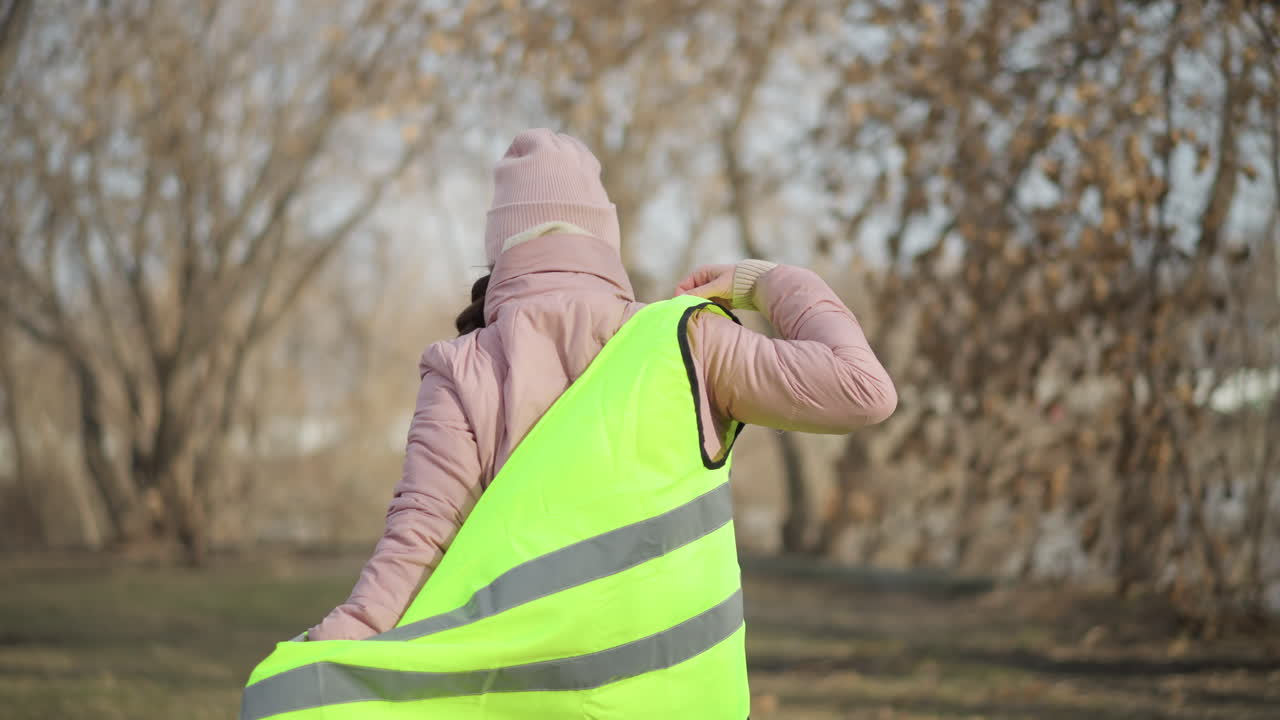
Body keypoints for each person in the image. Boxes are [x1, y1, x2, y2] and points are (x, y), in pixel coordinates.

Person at [241, 129, 895, 720]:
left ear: (499, 247)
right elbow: (864, 392)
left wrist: (320, 661)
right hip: (683, 700)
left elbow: (414, 547)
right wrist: (766, 281)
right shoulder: (682, 343)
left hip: (528, 698)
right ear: (602, 238)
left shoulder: (464, 367)